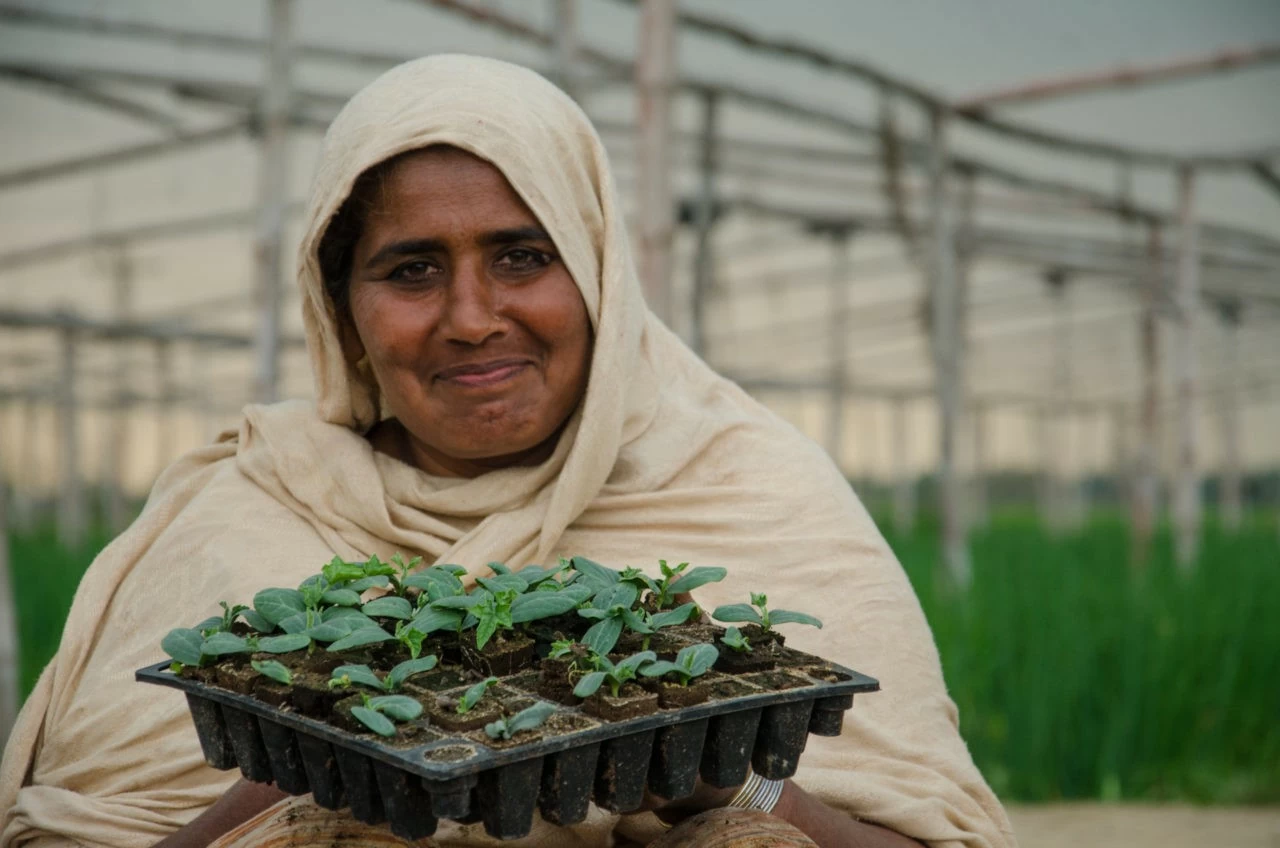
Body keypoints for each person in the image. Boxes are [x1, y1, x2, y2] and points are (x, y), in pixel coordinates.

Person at [0, 55, 1015, 848]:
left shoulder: (749, 486)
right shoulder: (244, 515)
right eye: (410, 269)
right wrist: (297, 766)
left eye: (522, 256)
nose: (472, 317)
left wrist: (731, 770)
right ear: (340, 307)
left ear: (598, 272)